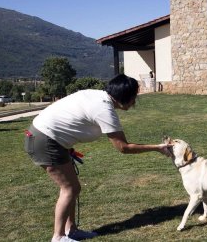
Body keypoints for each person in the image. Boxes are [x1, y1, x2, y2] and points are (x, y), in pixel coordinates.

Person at [24, 74, 171, 242]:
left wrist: (66, 145)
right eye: (134, 97)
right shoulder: (104, 109)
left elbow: (68, 118)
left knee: (72, 187)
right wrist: (158, 148)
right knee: (70, 189)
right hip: (45, 141)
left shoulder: (96, 95)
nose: (135, 102)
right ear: (125, 97)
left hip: (49, 139)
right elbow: (123, 147)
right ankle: (58, 237)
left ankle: (71, 230)